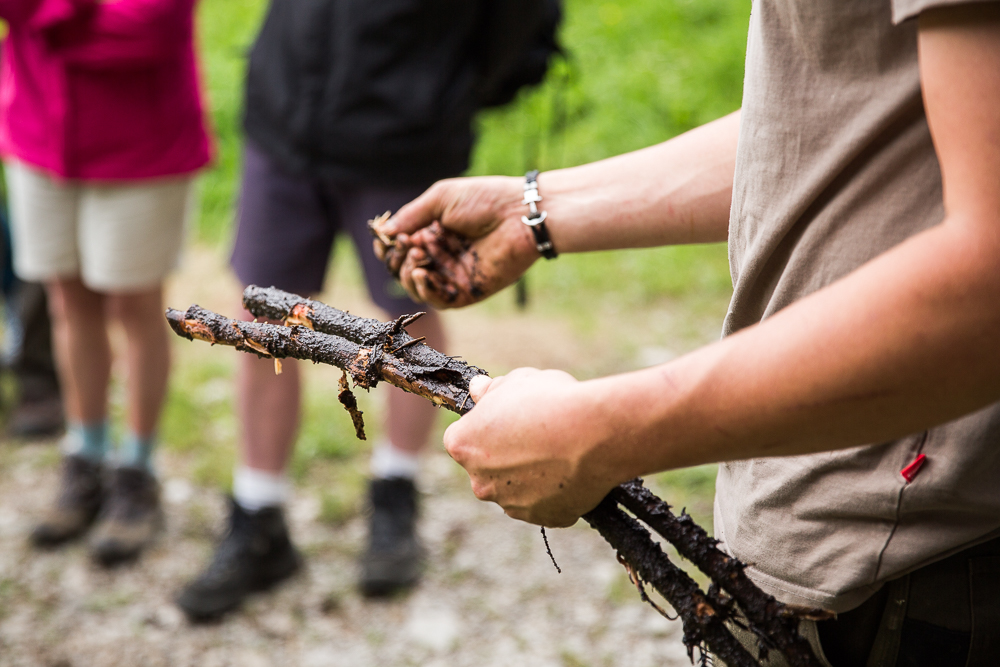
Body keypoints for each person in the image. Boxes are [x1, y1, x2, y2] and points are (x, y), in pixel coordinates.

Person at [376, 2, 1000, 665]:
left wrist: (601, 433)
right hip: (842, 556)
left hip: (916, 580)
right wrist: (537, 211)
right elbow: (847, 116)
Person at [175, 0, 560, 619]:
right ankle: (258, 515)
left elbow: (517, 20)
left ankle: (395, 492)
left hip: (402, 138)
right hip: (286, 116)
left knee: (406, 316)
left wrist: (439, 89)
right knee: (258, 323)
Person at [0, 0, 212, 564]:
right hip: (39, 133)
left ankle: (136, 470)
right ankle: (86, 454)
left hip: (140, 141)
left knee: (134, 307)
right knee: (67, 302)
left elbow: (149, 26)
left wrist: (47, 17)